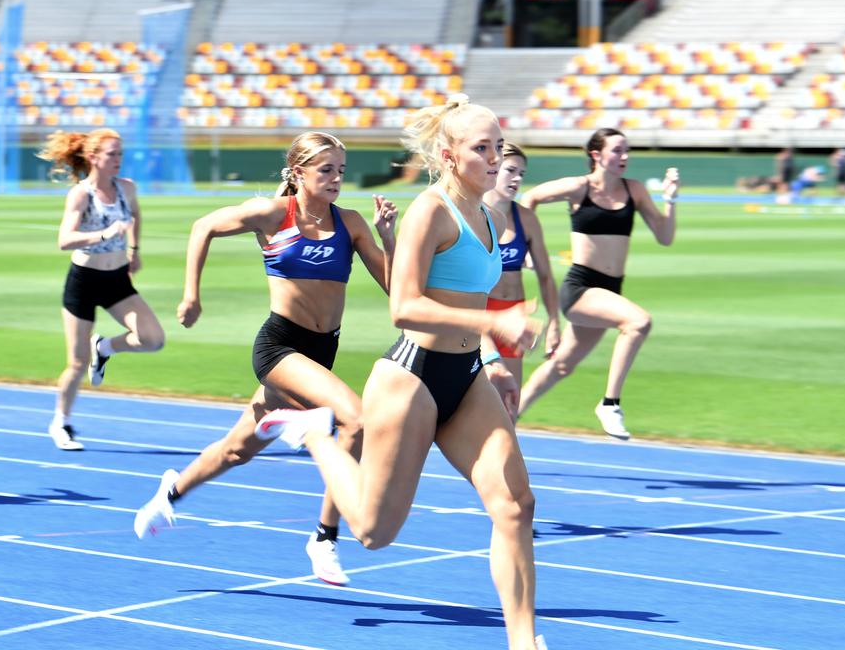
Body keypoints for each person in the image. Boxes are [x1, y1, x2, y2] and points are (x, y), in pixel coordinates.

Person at [254, 96, 548, 649]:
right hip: (411, 379)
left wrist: (489, 358)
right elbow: (405, 305)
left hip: (465, 376)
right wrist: (495, 323)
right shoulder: (430, 210)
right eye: (481, 148)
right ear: (449, 155)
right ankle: (314, 435)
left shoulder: (489, 213)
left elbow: (467, 297)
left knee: (515, 505)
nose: (494, 157)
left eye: (498, 146)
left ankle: (524, 641)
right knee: (371, 532)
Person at [133, 131, 398, 587]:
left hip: (319, 354)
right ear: (298, 174)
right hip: (280, 348)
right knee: (353, 419)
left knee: (237, 449)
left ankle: (170, 493)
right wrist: (191, 295)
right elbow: (204, 227)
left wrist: (387, 237)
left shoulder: (351, 223)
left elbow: (397, 292)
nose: (336, 178)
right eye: (325, 170)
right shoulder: (275, 215)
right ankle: (324, 537)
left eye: (340, 170)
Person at [515, 128, 679, 440]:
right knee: (638, 322)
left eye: (626, 150)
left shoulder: (635, 190)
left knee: (561, 366)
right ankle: (610, 403)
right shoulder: (580, 187)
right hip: (581, 289)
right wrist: (525, 245)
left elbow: (665, 236)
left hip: (610, 289)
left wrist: (670, 199)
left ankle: (509, 414)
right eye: (617, 150)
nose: (624, 157)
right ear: (596, 155)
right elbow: (532, 196)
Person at [40, 128, 164, 451]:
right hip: (83, 280)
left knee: (153, 339)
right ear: (94, 158)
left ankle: (105, 348)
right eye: (112, 154)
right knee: (77, 363)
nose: (118, 160)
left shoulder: (127, 188)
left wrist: (134, 251)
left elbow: (135, 215)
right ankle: (61, 423)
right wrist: (105, 235)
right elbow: (64, 240)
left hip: (117, 279)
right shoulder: (81, 194)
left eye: (120, 154)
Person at [481, 142, 560, 419]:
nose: (517, 179)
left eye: (521, 174)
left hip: (514, 316)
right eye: (510, 170)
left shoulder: (525, 219)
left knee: (508, 410)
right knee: (470, 404)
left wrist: (554, 322)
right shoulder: (472, 214)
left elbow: (546, 276)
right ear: (492, 168)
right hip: (478, 317)